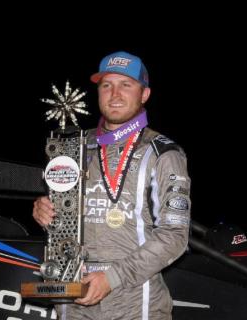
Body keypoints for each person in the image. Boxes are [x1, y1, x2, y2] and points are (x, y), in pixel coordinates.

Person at [33, 51, 191, 320]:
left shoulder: (163, 153)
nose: (115, 94)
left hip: (134, 304)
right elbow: (62, 215)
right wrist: (44, 210)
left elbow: (174, 236)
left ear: (144, 94)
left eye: (126, 85)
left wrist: (111, 278)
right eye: (107, 85)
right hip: (72, 301)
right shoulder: (73, 148)